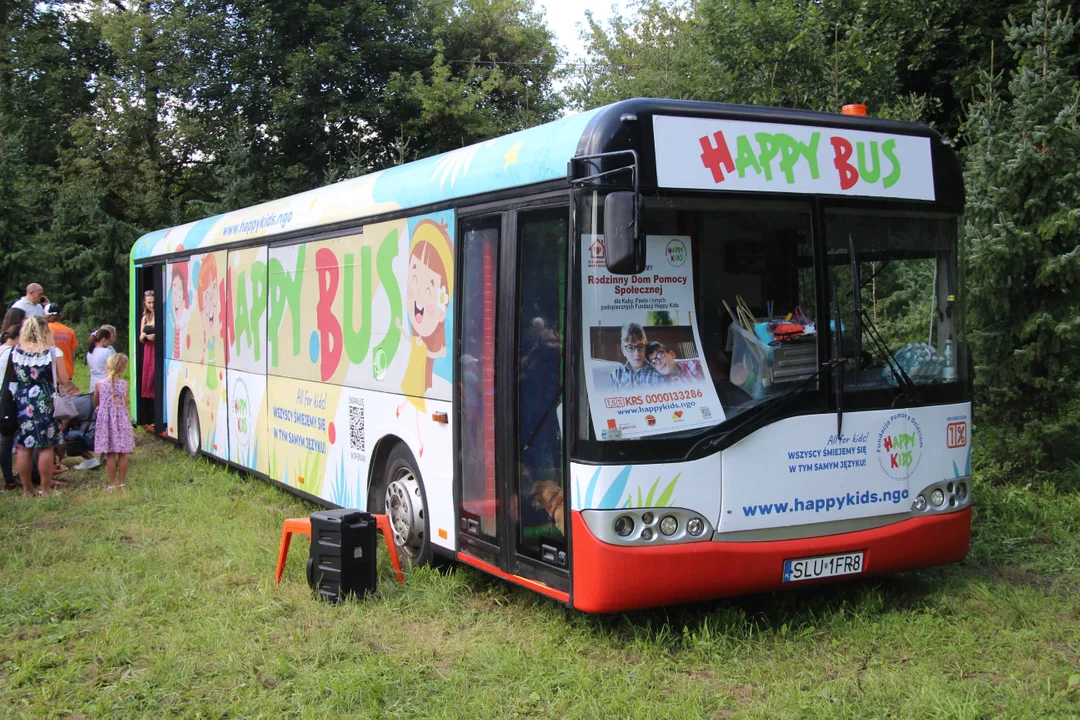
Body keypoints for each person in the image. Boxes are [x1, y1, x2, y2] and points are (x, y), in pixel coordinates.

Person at [11, 316, 71, 497]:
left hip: (22, 399)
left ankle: (27, 489)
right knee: (46, 445)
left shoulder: (17, 351)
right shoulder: (52, 352)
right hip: (44, 399)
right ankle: (45, 489)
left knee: (24, 445)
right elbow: (63, 379)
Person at [93, 353, 135, 491]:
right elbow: (125, 401)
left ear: (107, 366)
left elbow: (96, 402)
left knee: (110, 453)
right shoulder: (124, 384)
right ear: (123, 369)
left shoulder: (99, 385)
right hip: (121, 420)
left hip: (106, 423)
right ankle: (122, 483)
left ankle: (111, 484)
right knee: (123, 453)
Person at [0, 308, 26, 490]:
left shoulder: (2, 349)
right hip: (8, 397)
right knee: (8, 439)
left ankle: (9, 477)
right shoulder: (13, 354)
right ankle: (12, 477)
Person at [609, 322, 663, 389]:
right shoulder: (616, 375)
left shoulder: (657, 371)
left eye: (641, 347)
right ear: (623, 351)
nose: (637, 353)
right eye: (630, 348)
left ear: (646, 347)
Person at [45, 303, 77, 380]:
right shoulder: (70, 331)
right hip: (66, 371)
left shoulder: (44, 330)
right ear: (60, 315)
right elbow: (73, 355)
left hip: (50, 371)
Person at [139, 290, 156, 422]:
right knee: (148, 379)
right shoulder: (145, 318)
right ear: (145, 303)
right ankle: (150, 415)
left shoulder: (160, 315)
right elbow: (140, 337)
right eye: (149, 302)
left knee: (155, 378)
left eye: (153, 302)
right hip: (147, 350)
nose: (151, 305)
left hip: (156, 349)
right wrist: (144, 336)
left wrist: (155, 336)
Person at [86, 325, 117, 394]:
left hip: (93, 383)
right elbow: (115, 367)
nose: (109, 343)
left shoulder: (89, 352)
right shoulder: (108, 352)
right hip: (106, 383)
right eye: (108, 340)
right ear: (103, 339)